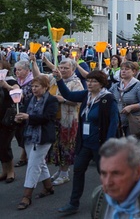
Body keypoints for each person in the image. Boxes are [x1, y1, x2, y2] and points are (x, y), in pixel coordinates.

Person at [55, 70, 120, 215]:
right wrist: (59, 79)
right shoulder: (87, 95)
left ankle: (114, 203)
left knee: (105, 174)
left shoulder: (108, 99)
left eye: (93, 81)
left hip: (100, 144)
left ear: (101, 84)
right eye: (88, 81)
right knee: (78, 170)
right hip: (85, 142)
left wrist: (108, 146)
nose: (89, 84)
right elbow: (68, 95)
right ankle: (73, 203)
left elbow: (113, 123)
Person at [38, 58, 84, 186]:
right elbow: (39, 77)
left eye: (66, 68)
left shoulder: (76, 83)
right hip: (54, 119)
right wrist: (37, 61)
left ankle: (65, 173)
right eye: (61, 68)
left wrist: (62, 100)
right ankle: (61, 170)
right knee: (56, 146)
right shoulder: (54, 79)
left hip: (68, 120)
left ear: (73, 69)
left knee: (66, 146)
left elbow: (78, 101)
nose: (63, 70)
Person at [15, 75, 59, 210]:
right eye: (33, 86)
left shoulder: (52, 100)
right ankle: (48, 186)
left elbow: (47, 117)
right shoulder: (29, 99)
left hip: (43, 137)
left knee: (33, 165)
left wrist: (29, 117)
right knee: (39, 163)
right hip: (29, 136)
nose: (34, 89)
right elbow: (23, 112)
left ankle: (27, 196)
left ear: (45, 87)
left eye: (37, 86)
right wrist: (19, 118)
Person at [109, 61, 140, 136]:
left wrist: (132, 107)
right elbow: (108, 96)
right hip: (118, 121)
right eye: (122, 69)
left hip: (132, 122)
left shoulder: (138, 86)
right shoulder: (116, 86)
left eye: (127, 69)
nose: (123, 71)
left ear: (133, 71)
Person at [0, 60, 19, 184]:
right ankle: (4, 170)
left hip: (7, 118)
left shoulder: (11, 80)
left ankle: (11, 170)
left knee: (4, 144)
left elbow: (17, 93)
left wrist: (5, 85)